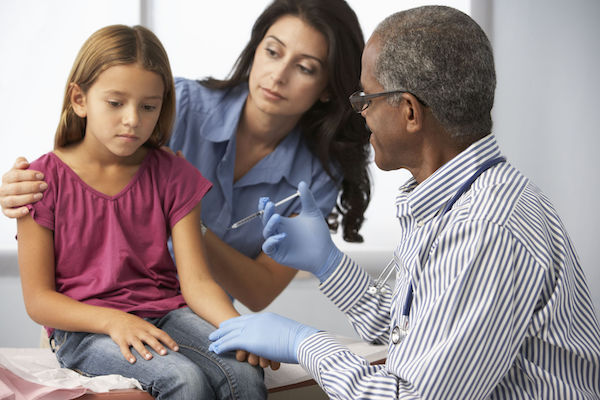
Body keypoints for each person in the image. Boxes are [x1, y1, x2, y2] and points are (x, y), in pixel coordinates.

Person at [208, 6, 600, 399]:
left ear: (410, 112)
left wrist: (302, 341)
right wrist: (327, 264)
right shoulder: (454, 201)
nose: (361, 115)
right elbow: (412, 331)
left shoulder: (483, 228)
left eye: (366, 98)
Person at [0, 0, 371, 316]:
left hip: (200, 324)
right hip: (96, 318)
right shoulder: (179, 107)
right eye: (272, 52)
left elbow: (259, 293)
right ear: (256, 50)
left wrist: (187, 220)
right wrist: (24, 185)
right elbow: (87, 166)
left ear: (327, 89)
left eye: (305, 68)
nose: (278, 75)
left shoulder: (318, 175)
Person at [16, 24, 269, 399]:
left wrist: (239, 328)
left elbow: (197, 283)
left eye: (148, 106)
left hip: (167, 313)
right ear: (79, 99)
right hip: (87, 330)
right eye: (116, 103)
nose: (133, 119)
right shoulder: (39, 182)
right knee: (184, 379)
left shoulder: (175, 174)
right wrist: (113, 320)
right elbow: (39, 300)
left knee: (244, 374)